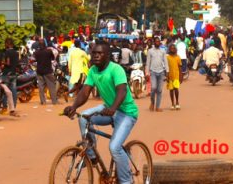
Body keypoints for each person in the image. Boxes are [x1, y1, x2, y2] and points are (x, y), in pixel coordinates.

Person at [63, 41, 139, 184]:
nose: (96, 56)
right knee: (84, 117)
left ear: (107, 55)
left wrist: (113, 108)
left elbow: (122, 91)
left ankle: (126, 181)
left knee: (115, 148)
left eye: (100, 53)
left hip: (126, 113)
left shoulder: (116, 69)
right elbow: (85, 92)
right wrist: (73, 107)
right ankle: (92, 156)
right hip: (108, 109)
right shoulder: (92, 71)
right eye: (94, 53)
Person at [146, 37, 168, 112]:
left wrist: (167, 71)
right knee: (154, 88)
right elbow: (148, 63)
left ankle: (157, 107)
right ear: (154, 42)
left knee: (159, 90)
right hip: (153, 72)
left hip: (161, 72)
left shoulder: (163, 51)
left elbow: (165, 61)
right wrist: (147, 73)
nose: (157, 42)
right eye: (156, 41)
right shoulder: (150, 51)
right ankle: (152, 102)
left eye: (159, 41)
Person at [2, 38, 20, 108]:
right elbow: (17, 63)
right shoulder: (16, 52)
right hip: (13, 73)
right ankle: (13, 106)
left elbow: (8, 63)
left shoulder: (7, 52)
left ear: (7, 44)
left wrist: (3, 63)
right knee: (13, 90)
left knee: (5, 90)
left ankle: (4, 106)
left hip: (7, 73)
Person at [166, 44, 182, 110]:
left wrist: (181, 76)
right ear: (169, 49)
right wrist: (166, 76)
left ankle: (177, 102)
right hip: (170, 76)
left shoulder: (178, 57)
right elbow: (166, 68)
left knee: (176, 89)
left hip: (176, 76)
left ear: (175, 49)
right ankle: (172, 103)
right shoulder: (167, 57)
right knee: (171, 90)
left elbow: (180, 67)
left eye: (173, 48)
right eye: (171, 48)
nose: (172, 49)